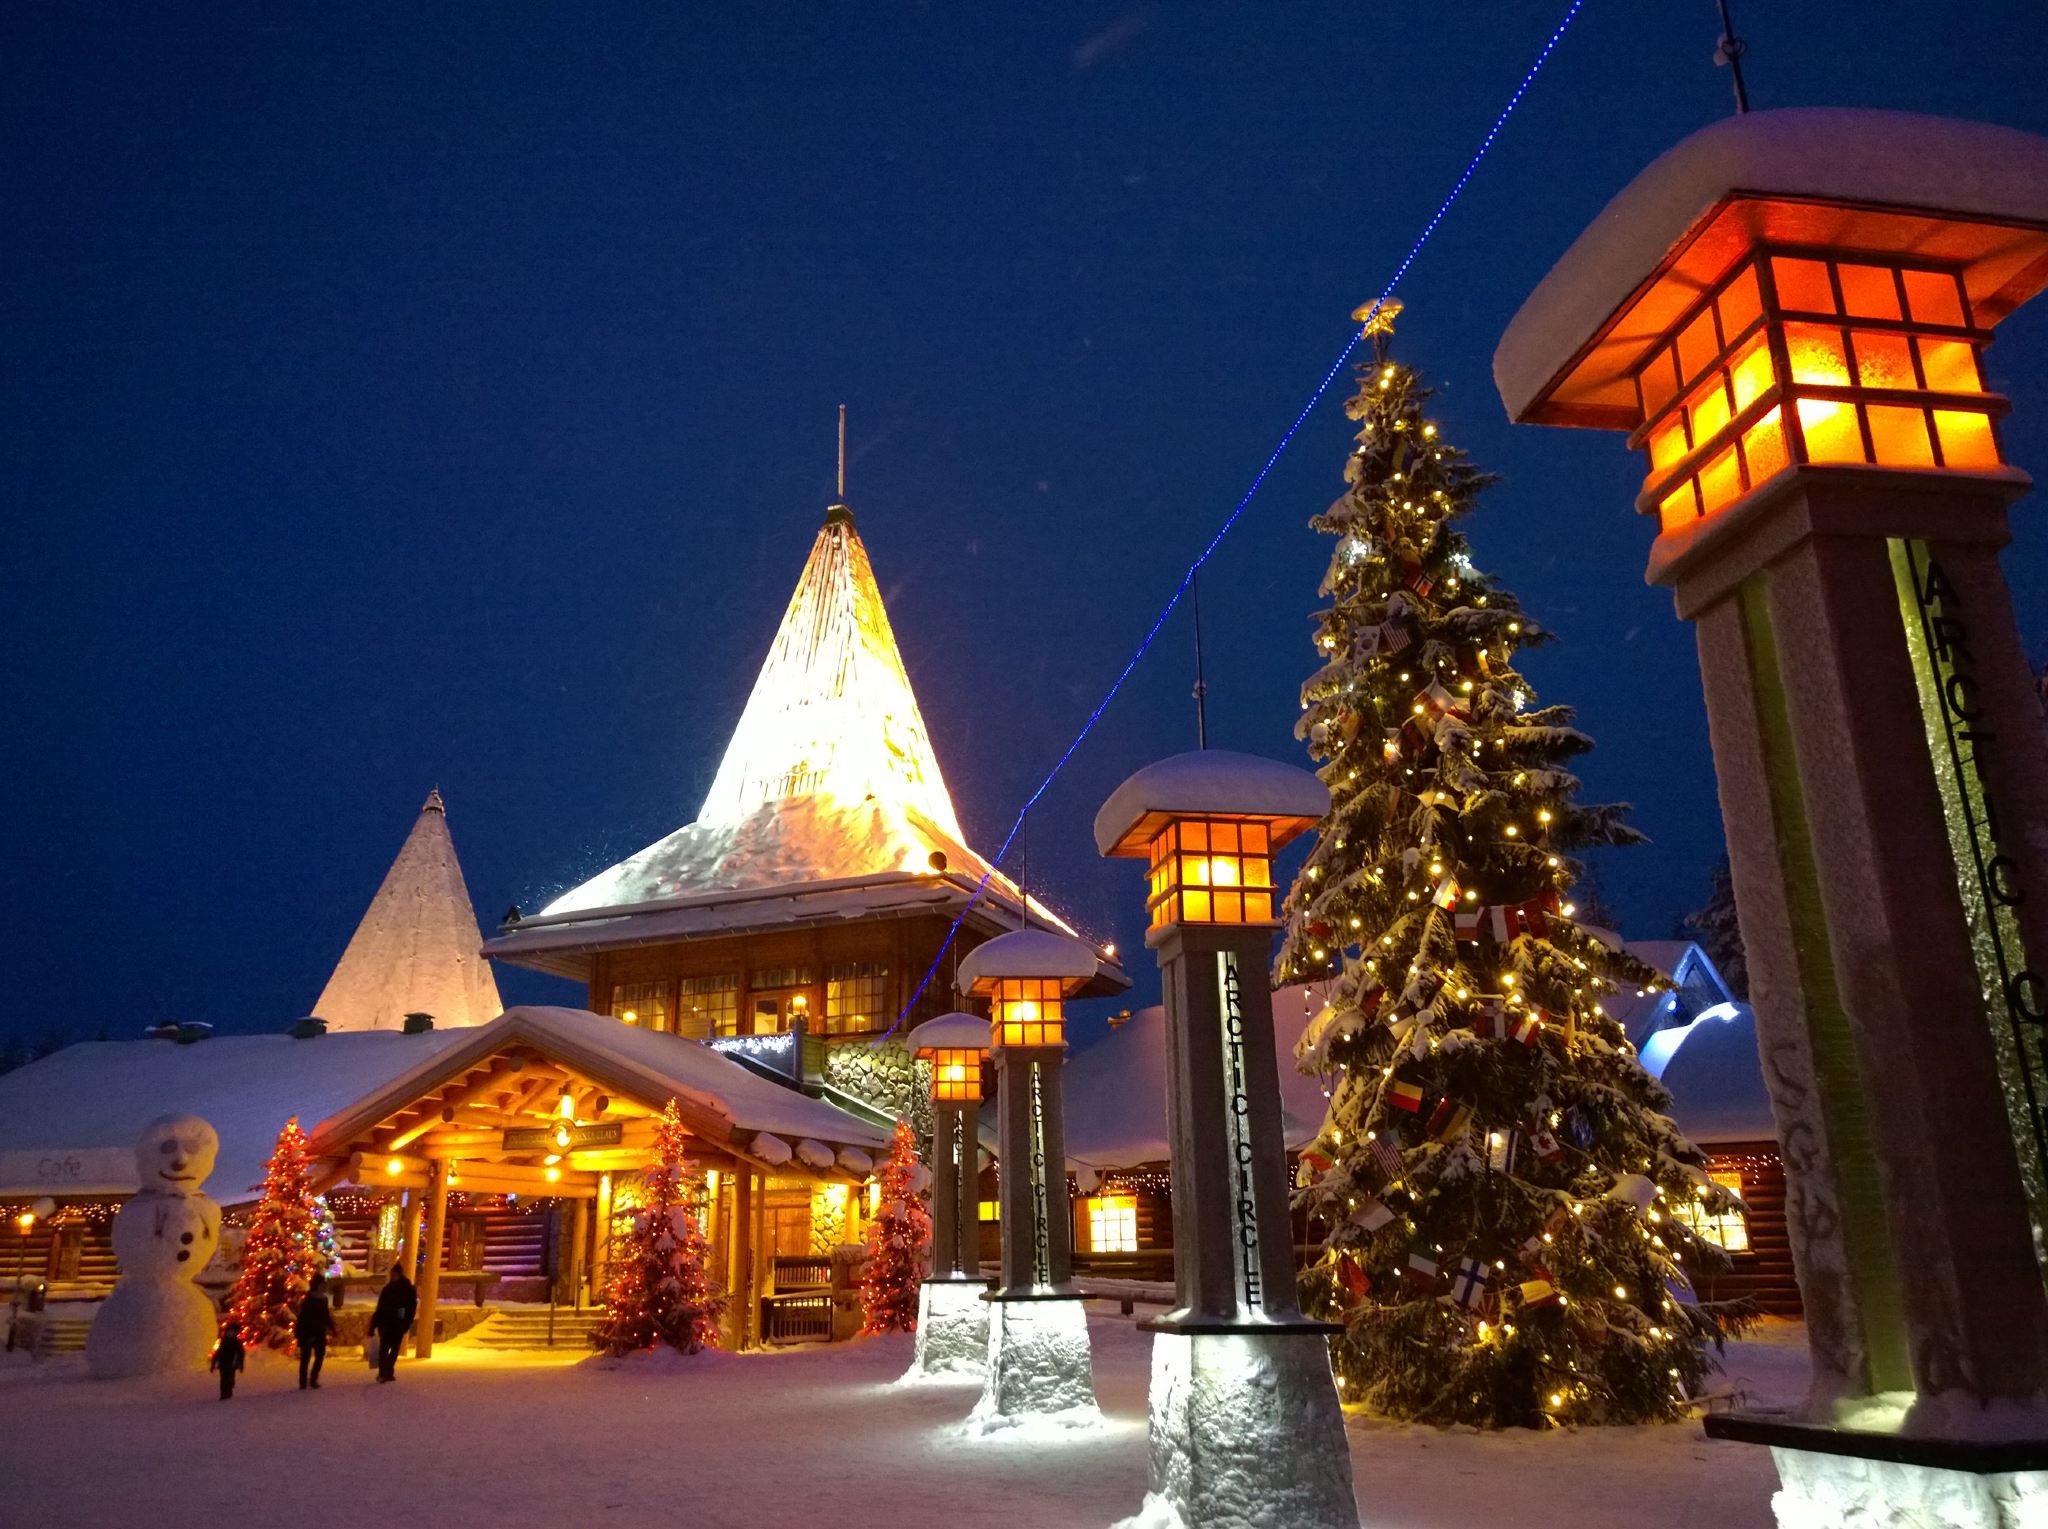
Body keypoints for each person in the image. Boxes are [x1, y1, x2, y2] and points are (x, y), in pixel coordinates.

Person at [370, 1262, 416, 1383]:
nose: (393, 1276)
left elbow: (411, 1307)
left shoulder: (407, 1290)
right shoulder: (388, 1289)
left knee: (394, 1350)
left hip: (398, 1324)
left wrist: (407, 1322)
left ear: (399, 1275)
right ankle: (383, 1372)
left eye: (395, 1274)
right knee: (384, 1349)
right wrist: (374, 1324)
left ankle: (388, 1371)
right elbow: (380, 1308)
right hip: (386, 1323)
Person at [295, 1273, 336, 1390]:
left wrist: (332, 1327)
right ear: (317, 1285)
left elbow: (326, 1315)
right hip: (308, 1332)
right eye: (322, 1285)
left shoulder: (323, 1299)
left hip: (320, 1331)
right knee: (305, 1358)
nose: (324, 1287)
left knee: (320, 1356)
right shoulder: (308, 1300)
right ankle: (303, 1382)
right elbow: (304, 1318)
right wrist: (305, 1333)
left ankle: (313, 1379)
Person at [210, 1322, 246, 1400]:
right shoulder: (223, 1341)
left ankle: (229, 1393)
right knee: (223, 1379)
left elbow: (241, 1353)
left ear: (235, 1333)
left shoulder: (236, 1342)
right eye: (229, 1332)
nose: (230, 1333)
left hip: (231, 1363)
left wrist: (240, 1364)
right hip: (223, 1363)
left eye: (232, 1332)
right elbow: (218, 1353)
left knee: (229, 1378)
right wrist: (213, 1363)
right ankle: (223, 1395)